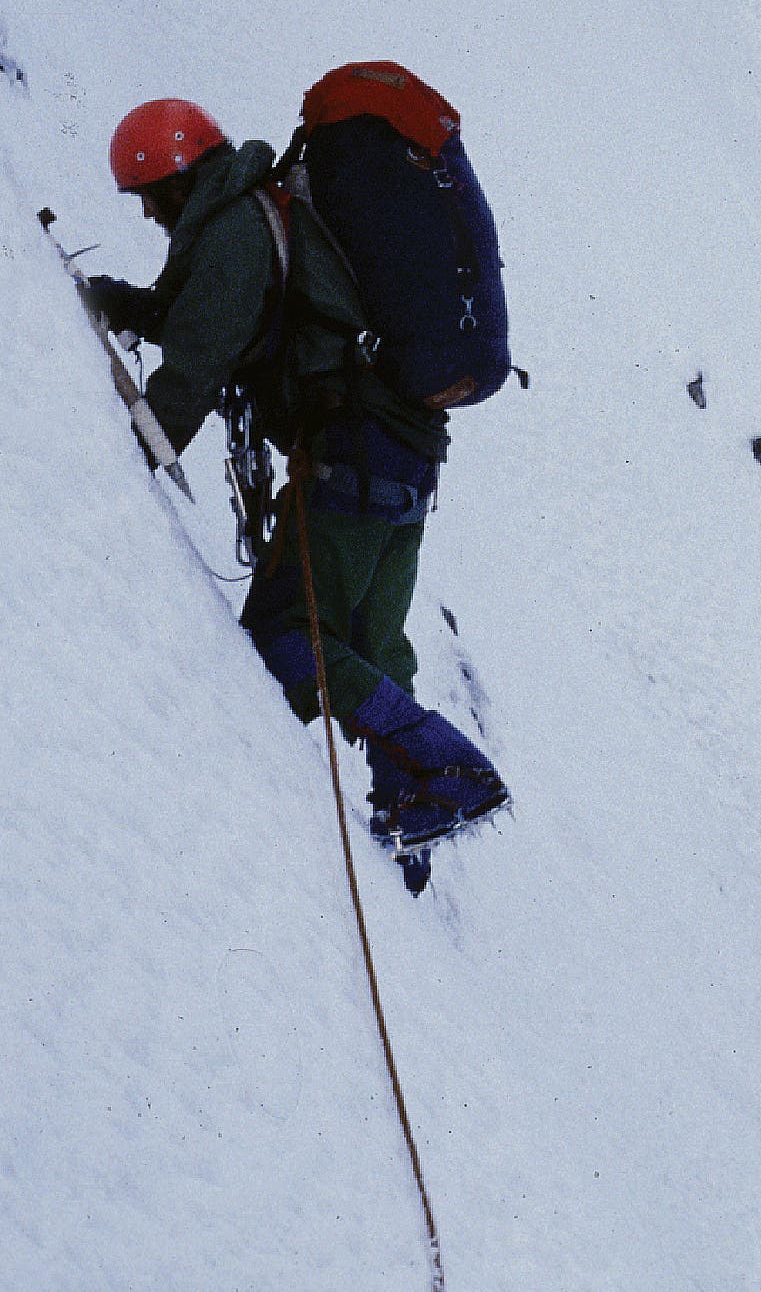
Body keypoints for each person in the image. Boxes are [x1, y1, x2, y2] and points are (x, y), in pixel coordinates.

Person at [87, 97, 507, 876]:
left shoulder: (233, 232)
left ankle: (450, 770)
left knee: (288, 636)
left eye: (148, 194)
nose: (147, 214)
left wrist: (116, 464)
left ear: (179, 179)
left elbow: (197, 364)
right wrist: (124, 303)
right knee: (371, 644)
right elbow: (211, 322)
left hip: (349, 456)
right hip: (404, 457)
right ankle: (408, 817)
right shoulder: (255, 218)